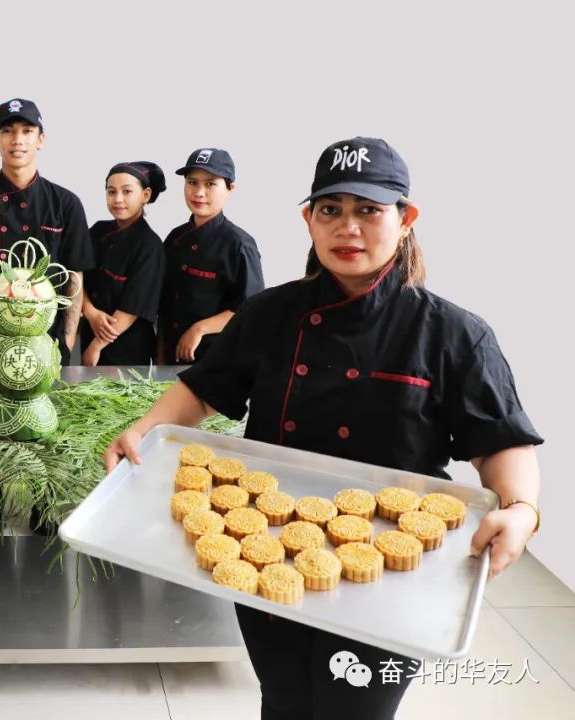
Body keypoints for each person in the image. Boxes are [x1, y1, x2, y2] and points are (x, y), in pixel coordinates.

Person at [105, 137, 543, 719]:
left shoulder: (453, 333)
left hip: (388, 573)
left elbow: (500, 443)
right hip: (270, 554)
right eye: (331, 209)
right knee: (283, 699)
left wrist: (521, 509)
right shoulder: (269, 314)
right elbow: (204, 390)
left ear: (405, 219)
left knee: (355, 711)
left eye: (369, 210)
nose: (347, 227)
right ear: (308, 219)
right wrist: (142, 429)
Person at [0, 98, 94, 367]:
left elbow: (74, 276)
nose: (17, 140)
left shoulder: (65, 203)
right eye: (7, 131)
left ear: (41, 139)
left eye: (27, 131)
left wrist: (67, 341)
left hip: (47, 345)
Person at [159, 147, 264, 364]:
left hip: (216, 362)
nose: (199, 192)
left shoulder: (239, 244)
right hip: (170, 356)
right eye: (192, 182)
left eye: (210, 184)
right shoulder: (175, 238)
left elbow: (251, 309)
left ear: (229, 188)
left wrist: (200, 328)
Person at [80, 161, 167, 366]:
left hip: (127, 348)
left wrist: (96, 346)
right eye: (111, 192)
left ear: (145, 195)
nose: (118, 199)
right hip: (88, 330)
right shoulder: (98, 231)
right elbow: (77, 275)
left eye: (127, 191)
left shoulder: (150, 246)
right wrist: (90, 311)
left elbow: (134, 307)